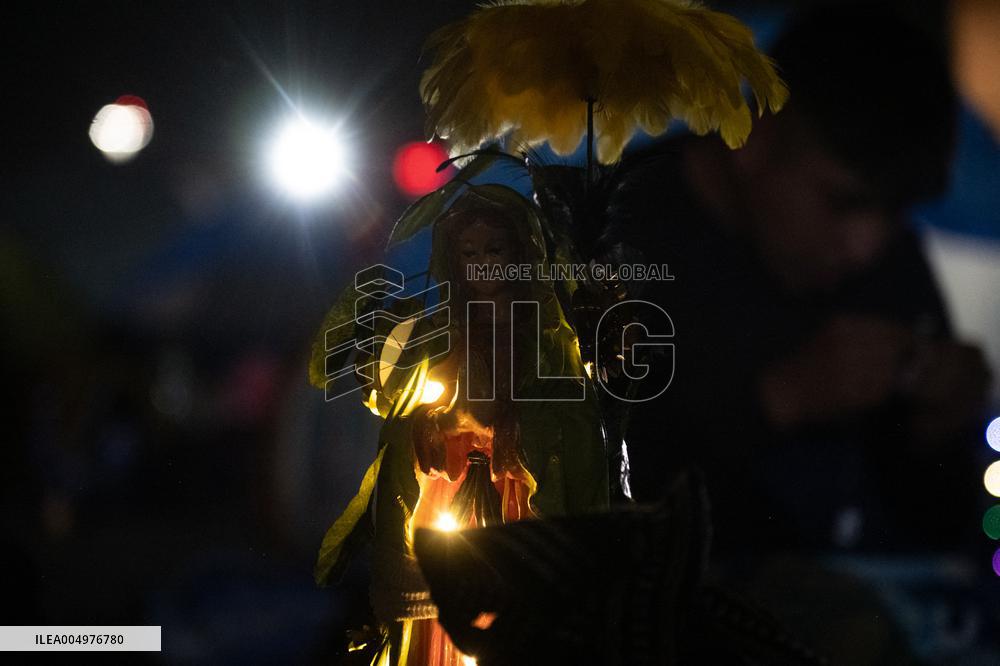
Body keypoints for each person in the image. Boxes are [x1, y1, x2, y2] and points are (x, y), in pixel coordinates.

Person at [619, 5, 991, 561]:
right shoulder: (618, 230)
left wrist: (937, 429)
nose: (867, 246)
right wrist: (780, 398)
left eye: (895, 211)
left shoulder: (888, 257)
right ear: (755, 141)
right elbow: (584, 507)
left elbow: (938, 530)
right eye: (842, 202)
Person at [311, 184, 608, 665]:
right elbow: (408, 405)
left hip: (520, 498)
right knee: (445, 611)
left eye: (495, 250)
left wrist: (521, 431)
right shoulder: (442, 331)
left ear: (519, 254)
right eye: (470, 253)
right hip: (448, 495)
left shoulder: (546, 338)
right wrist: (427, 426)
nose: (483, 264)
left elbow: (572, 417)